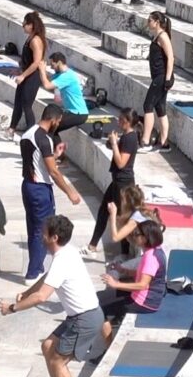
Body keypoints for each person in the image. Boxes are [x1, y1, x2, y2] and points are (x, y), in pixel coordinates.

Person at [0, 212, 97, 377]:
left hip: (84, 319)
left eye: (44, 233)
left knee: (57, 360)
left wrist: (12, 308)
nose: (41, 236)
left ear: (54, 238)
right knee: (48, 346)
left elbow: (42, 297)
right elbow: (47, 278)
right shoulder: (66, 253)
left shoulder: (62, 259)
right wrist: (26, 292)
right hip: (80, 316)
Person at [14, 112, 83, 281]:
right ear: (52, 119)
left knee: (34, 230)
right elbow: (53, 171)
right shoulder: (44, 139)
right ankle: (33, 274)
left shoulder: (28, 134)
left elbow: (37, 162)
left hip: (28, 186)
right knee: (43, 231)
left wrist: (55, 156)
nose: (58, 124)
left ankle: (37, 267)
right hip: (40, 190)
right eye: (58, 121)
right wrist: (70, 192)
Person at [97, 215, 168, 348]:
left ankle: (107, 348)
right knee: (97, 299)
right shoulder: (155, 251)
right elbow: (146, 274)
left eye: (137, 234)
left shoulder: (150, 257)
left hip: (144, 302)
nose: (134, 236)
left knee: (98, 307)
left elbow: (142, 285)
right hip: (142, 297)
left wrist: (116, 284)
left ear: (146, 237)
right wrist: (124, 271)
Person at [90, 108, 143, 248]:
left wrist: (114, 143)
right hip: (117, 182)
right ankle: (93, 244)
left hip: (123, 184)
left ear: (128, 121)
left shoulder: (130, 138)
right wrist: (113, 143)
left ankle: (124, 253)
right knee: (103, 211)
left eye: (121, 120)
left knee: (122, 217)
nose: (118, 122)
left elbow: (121, 163)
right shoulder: (127, 137)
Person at [8, 11, 50, 133]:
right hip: (26, 74)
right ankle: (11, 129)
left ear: (31, 25)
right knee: (18, 103)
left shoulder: (36, 40)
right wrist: (19, 71)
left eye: (25, 23)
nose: (23, 25)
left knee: (26, 105)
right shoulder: (29, 38)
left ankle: (30, 133)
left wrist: (23, 75)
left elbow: (36, 62)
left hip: (33, 77)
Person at [142, 10, 177, 151]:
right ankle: (164, 142)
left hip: (162, 77)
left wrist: (167, 79)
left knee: (148, 105)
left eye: (150, 20)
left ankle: (145, 140)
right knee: (160, 108)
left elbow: (171, 58)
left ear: (157, 22)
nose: (147, 22)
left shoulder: (163, 36)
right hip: (159, 76)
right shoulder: (156, 36)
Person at [46, 51, 90, 131]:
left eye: (52, 65)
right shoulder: (59, 75)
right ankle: (58, 144)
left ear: (59, 63)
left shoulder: (67, 76)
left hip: (78, 113)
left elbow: (47, 86)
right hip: (70, 111)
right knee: (52, 127)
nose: (51, 68)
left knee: (52, 127)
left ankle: (57, 144)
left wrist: (42, 70)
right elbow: (47, 81)